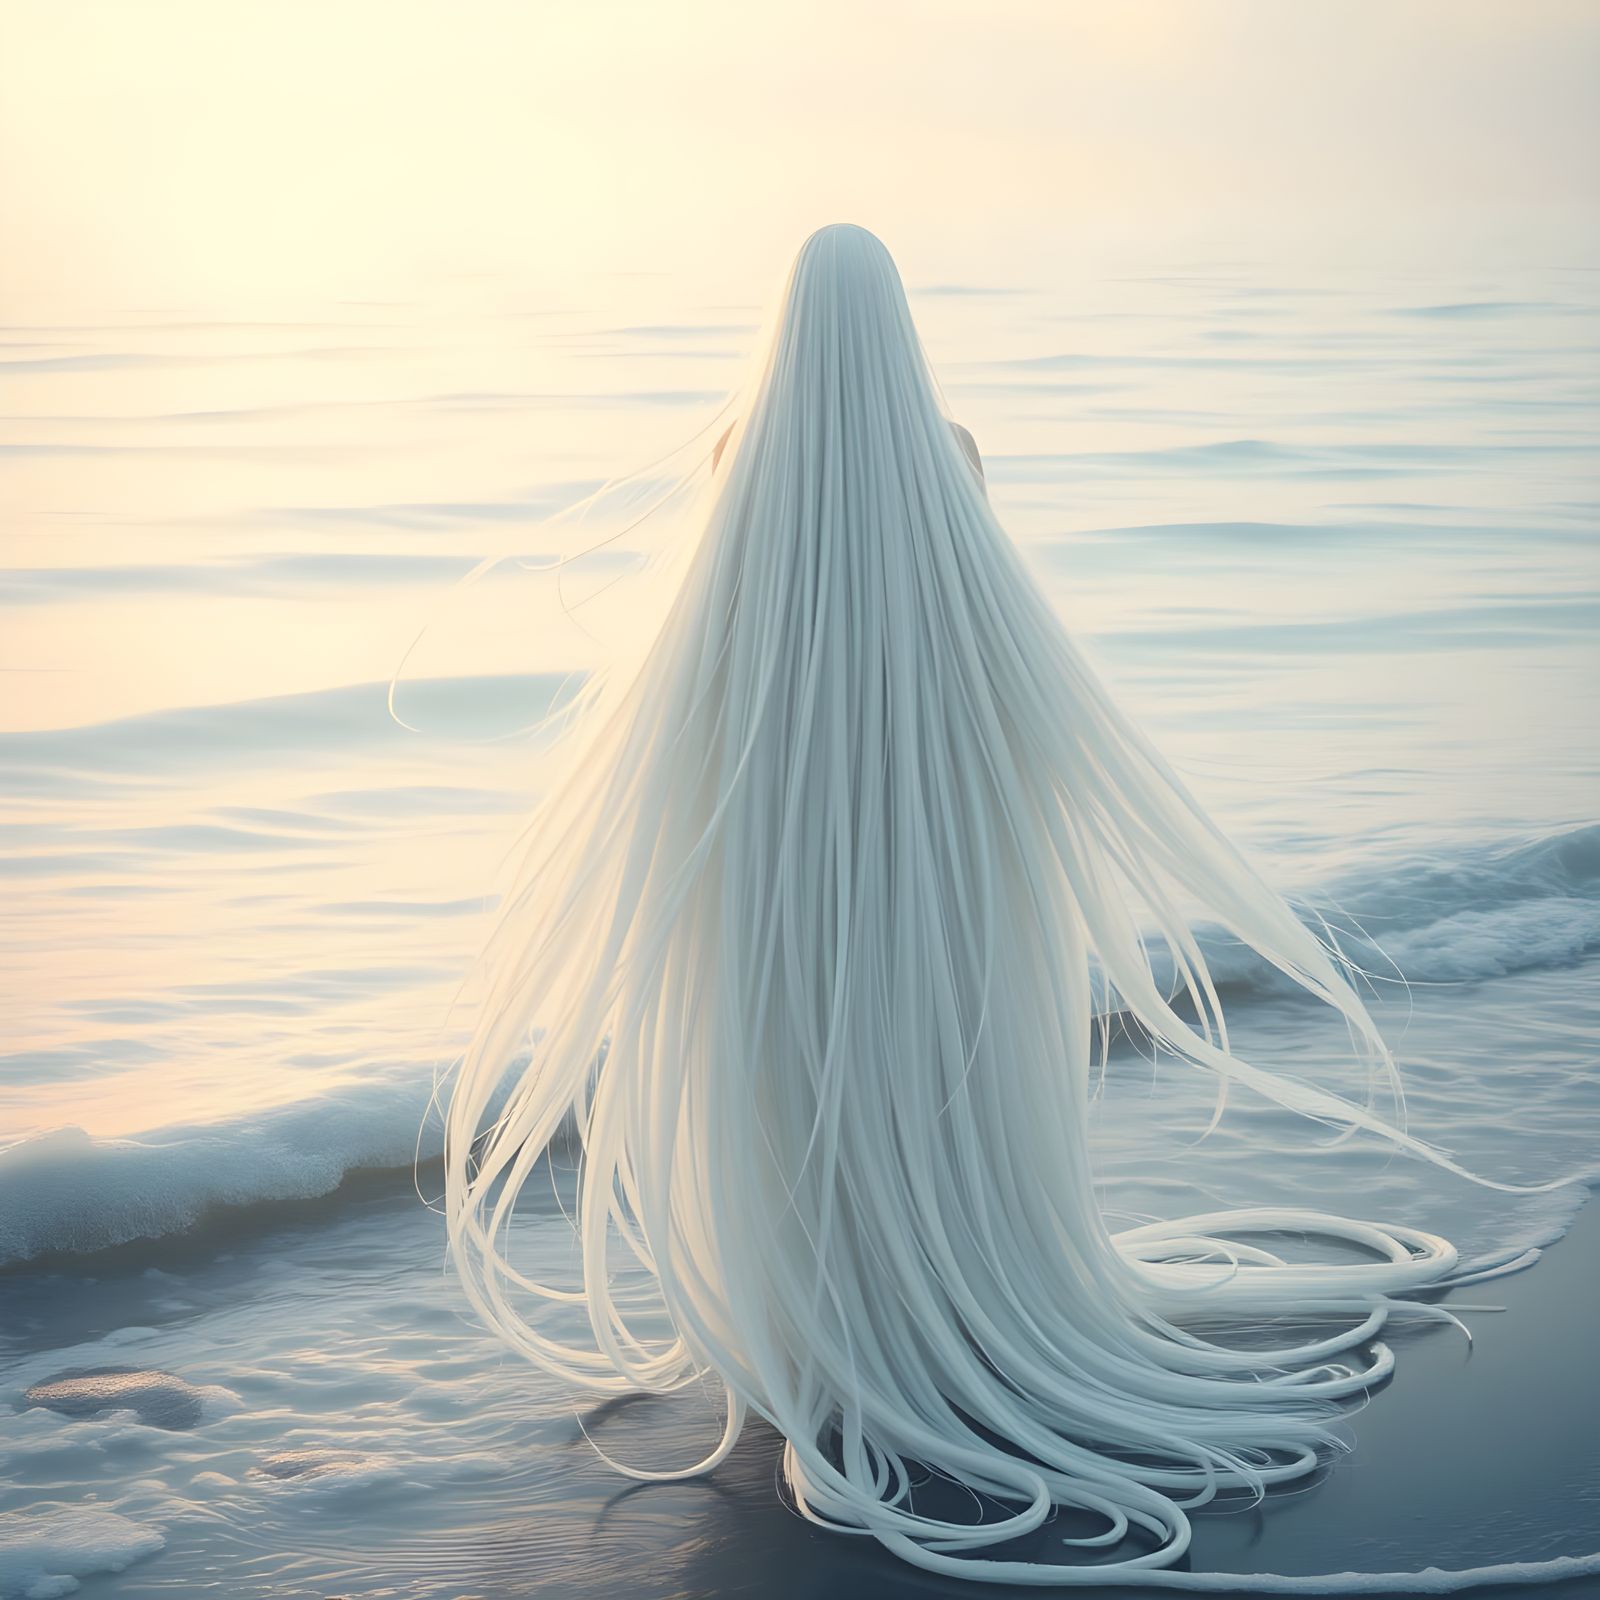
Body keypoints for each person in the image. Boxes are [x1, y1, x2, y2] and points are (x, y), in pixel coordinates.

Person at [440, 224, 1586, 1589]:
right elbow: (1010, 695)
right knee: (933, 1086)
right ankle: (948, 1318)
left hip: (784, 885)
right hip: (939, 870)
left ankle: (825, 1333)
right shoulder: (957, 459)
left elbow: (709, 708)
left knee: (800, 1092)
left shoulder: (733, 470)